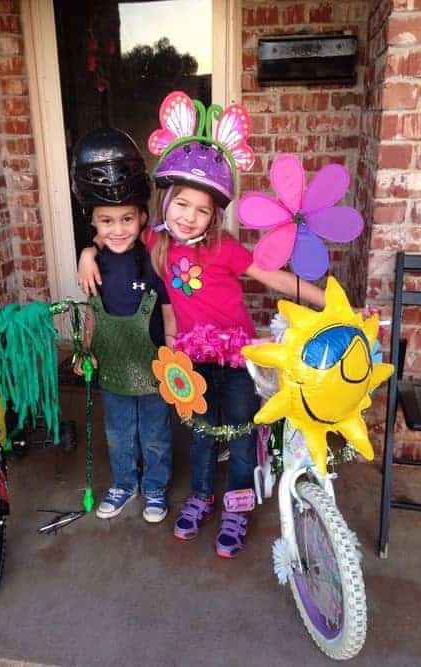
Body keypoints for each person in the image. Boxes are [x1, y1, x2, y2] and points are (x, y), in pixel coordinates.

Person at [78, 92, 325, 557]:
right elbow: (113, 236)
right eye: (182, 204)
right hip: (190, 358)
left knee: (238, 430)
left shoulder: (225, 248)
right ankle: (201, 496)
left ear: (214, 216)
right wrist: (87, 251)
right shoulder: (155, 240)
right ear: (166, 201)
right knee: (200, 431)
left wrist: (328, 300)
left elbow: (272, 276)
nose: (189, 216)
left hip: (235, 360)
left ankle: (236, 505)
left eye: (202, 209)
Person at [72, 127, 176, 524]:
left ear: (143, 218)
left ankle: (154, 488)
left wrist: (173, 351)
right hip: (113, 369)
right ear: (94, 223)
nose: (117, 229)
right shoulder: (93, 261)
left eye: (127, 219)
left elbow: (168, 309)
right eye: (107, 221)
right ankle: (123, 483)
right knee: (117, 432)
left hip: (153, 367)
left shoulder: (154, 258)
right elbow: (91, 312)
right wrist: (83, 351)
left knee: (155, 434)